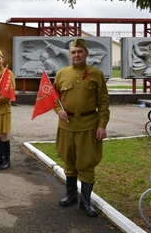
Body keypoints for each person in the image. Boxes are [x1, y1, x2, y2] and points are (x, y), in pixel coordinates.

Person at [52, 38, 110, 218]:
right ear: (69, 54)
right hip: (67, 125)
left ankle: (85, 203)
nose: (76, 55)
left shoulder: (96, 74)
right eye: (73, 52)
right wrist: (58, 109)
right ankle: (70, 196)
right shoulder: (61, 74)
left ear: (86, 53)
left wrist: (102, 125)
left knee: (86, 162)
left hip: (89, 126)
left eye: (80, 52)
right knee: (69, 160)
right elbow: (53, 97)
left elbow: (103, 102)